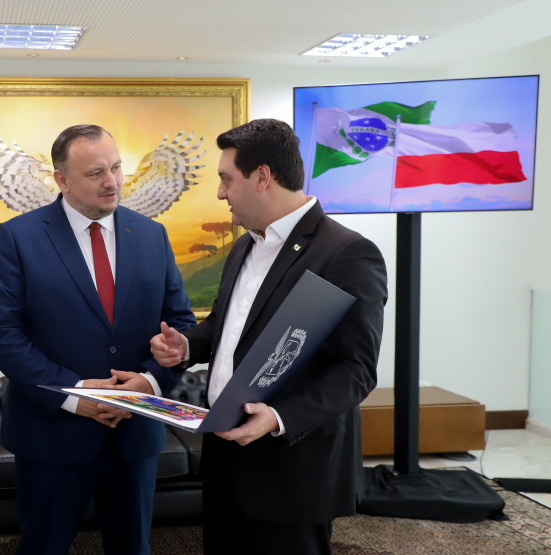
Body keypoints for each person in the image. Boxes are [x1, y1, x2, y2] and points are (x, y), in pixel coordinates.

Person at [150, 119, 388, 554]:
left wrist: (278, 417)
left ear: (262, 177)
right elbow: (226, 325)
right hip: (223, 455)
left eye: (226, 179)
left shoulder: (346, 253)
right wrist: (188, 345)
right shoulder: (243, 245)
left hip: (291, 467)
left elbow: (355, 369)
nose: (220, 192)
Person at [0, 124, 196, 555]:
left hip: (135, 434)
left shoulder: (152, 234)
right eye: (96, 173)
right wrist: (75, 393)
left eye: (116, 168)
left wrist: (150, 384)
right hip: (52, 436)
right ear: (61, 179)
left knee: (134, 548)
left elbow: (181, 324)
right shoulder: (16, 237)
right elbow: (2, 336)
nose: (112, 182)